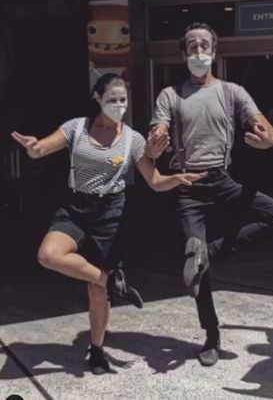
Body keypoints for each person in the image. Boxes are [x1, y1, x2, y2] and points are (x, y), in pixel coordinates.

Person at [11, 73, 205, 375]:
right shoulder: (76, 127)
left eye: (123, 99)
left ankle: (97, 348)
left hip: (112, 212)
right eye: (112, 99)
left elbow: (154, 181)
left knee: (95, 290)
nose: (118, 104)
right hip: (75, 206)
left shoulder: (133, 139)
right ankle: (111, 280)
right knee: (48, 255)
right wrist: (33, 147)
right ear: (97, 97)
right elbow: (41, 150)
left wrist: (176, 179)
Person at [147, 22, 273, 366]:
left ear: (214, 52)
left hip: (223, 180)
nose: (199, 52)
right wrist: (155, 143)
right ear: (183, 54)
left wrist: (268, 139)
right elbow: (158, 132)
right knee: (199, 273)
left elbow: (266, 129)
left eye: (204, 46)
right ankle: (211, 335)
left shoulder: (232, 92)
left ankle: (208, 252)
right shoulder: (170, 95)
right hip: (187, 184)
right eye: (192, 46)